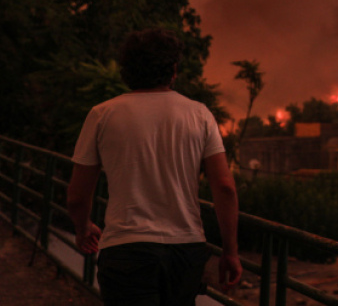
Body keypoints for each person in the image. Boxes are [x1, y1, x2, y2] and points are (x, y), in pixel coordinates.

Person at [67, 28, 242, 305]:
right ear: (173, 69)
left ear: (128, 70)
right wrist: (230, 252)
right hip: (185, 250)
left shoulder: (102, 114)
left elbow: (77, 196)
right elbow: (225, 187)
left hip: (126, 249)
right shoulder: (200, 114)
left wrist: (83, 228)